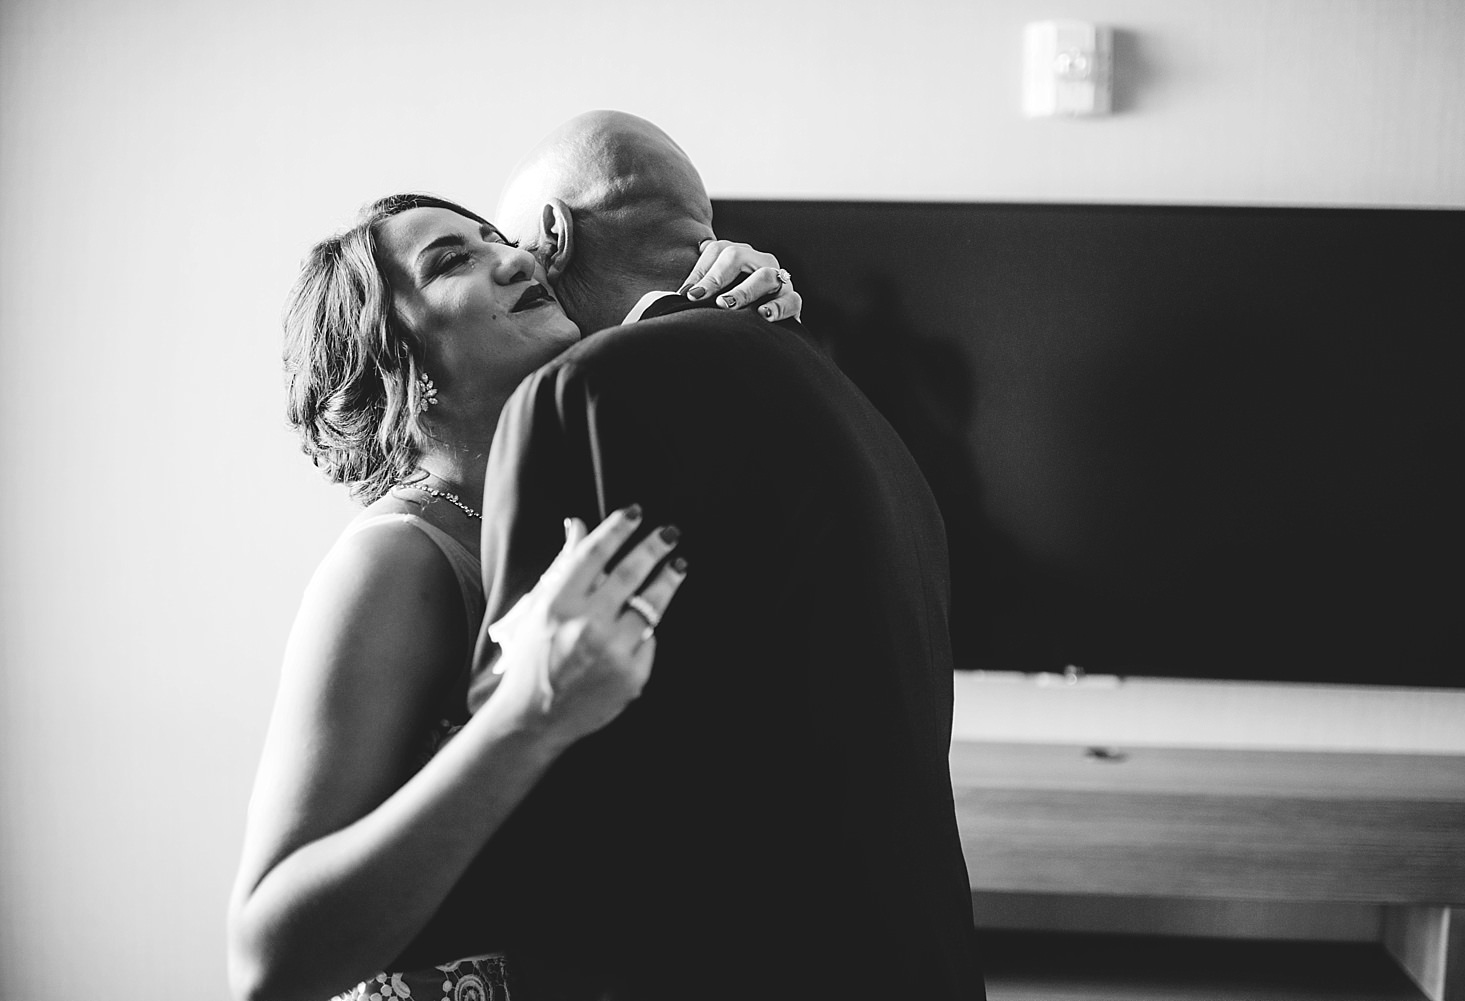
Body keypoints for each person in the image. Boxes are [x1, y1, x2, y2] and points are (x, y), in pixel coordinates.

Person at [393, 111, 985, 999]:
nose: (508, 268)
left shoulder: (583, 398)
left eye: (506, 243)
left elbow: (531, 803)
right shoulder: (866, 421)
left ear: (550, 234)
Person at [226, 186, 802, 1001]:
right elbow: (267, 961)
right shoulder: (395, 562)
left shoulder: (566, 505)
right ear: (394, 353)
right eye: (453, 259)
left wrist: (736, 311)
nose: (519, 256)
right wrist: (526, 713)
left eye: (501, 237)